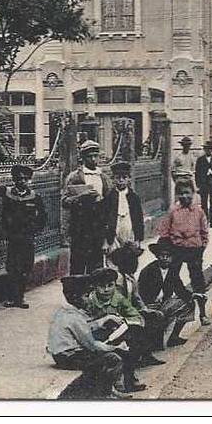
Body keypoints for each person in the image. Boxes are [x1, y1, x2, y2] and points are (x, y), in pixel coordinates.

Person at [47, 275, 127, 399]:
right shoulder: (74, 317)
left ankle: (109, 389)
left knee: (104, 352)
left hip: (62, 354)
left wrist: (105, 319)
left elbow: (87, 326)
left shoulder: (66, 311)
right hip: (68, 357)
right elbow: (92, 345)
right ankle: (105, 393)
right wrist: (116, 347)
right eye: (86, 296)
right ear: (75, 298)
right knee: (113, 359)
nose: (90, 299)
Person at [0, 164, 46, 308]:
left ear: (28, 180)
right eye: (18, 178)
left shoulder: (35, 197)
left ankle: (20, 298)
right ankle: (11, 297)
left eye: (24, 179)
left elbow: (43, 217)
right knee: (12, 268)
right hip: (13, 237)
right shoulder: (7, 192)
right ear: (14, 179)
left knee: (25, 268)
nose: (21, 181)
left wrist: (35, 230)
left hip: (28, 238)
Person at [84, 267, 147, 393]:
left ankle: (129, 378)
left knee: (135, 336)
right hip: (94, 338)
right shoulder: (88, 301)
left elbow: (136, 317)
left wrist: (122, 321)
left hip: (116, 334)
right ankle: (115, 382)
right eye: (102, 286)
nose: (106, 289)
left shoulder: (119, 299)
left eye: (110, 285)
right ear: (95, 287)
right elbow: (83, 325)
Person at [158, 178, 210, 326]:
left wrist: (201, 247)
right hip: (177, 250)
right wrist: (168, 248)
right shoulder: (173, 211)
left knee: (198, 280)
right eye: (180, 193)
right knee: (171, 278)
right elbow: (164, 231)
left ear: (193, 193)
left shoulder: (199, 211)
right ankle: (169, 309)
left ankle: (203, 314)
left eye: (187, 193)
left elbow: (204, 231)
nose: (184, 196)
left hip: (194, 250)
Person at [108, 243, 166, 366]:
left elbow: (136, 298)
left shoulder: (130, 278)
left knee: (156, 316)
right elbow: (118, 304)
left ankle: (146, 354)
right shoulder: (116, 280)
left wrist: (145, 310)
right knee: (139, 324)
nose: (136, 264)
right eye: (133, 260)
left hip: (130, 312)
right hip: (118, 316)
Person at [61, 140, 113, 274]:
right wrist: (81, 197)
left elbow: (111, 206)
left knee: (96, 268)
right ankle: (76, 294)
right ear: (83, 158)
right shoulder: (74, 177)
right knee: (77, 267)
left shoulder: (104, 178)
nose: (93, 159)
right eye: (90, 156)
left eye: (96, 156)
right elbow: (65, 201)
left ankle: (93, 294)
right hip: (80, 230)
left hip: (98, 229)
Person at [138, 238, 195, 348]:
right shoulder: (148, 271)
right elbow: (140, 293)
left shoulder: (172, 270)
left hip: (164, 303)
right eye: (162, 255)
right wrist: (146, 307)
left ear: (172, 257)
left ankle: (173, 336)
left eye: (168, 256)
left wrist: (192, 296)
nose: (165, 258)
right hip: (149, 305)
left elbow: (180, 289)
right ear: (157, 256)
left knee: (188, 303)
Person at [103, 161, 144, 267]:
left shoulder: (134, 197)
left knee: (129, 261)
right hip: (113, 232)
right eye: (118, 177)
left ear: (129, 179)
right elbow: (104, 219)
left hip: (129, 231)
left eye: (124, 177)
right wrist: (105, 241)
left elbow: (139, 219)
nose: (121, 180)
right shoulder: (109, 197)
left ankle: (129, 282)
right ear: (113, 179)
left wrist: (138, 239)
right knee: (112, 261)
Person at [194, 140, 212, 229]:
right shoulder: (200, 160)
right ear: (204, 150)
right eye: (206, 149)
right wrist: (198, 185)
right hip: (204, 184)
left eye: (210, 149)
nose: (208, 150)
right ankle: (205, 221)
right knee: (204, 204)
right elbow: (197, 173)